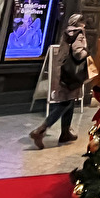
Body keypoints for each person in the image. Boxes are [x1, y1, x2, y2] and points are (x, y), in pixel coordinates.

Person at [29, 14, 88, 149]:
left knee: (70, 99)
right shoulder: (79, 34)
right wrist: (86, 52)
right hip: (74, 72)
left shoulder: (67, 32)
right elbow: (78, 53)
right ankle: (41, 130)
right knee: (65, 103)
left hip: (63, 70)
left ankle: (65, 132)